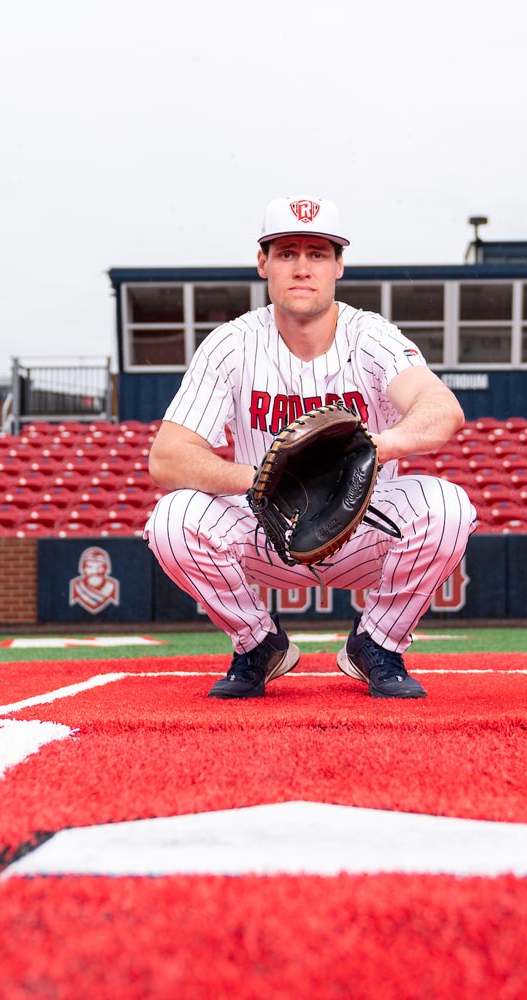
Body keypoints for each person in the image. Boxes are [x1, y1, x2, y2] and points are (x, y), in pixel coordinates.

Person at [145, 195, 476, 700]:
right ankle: (259, 644)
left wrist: (370, 448)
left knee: (450, 507)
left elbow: (441, 408)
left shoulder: (371, 336)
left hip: (361, 521)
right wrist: (262, 478)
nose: (303, 268)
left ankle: (377, 643)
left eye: (318, 254)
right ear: (264, 263)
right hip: (267, 522)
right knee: (171, 520)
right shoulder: (231, 344)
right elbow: (167, 457)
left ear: (338, 264)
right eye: (287, 253)